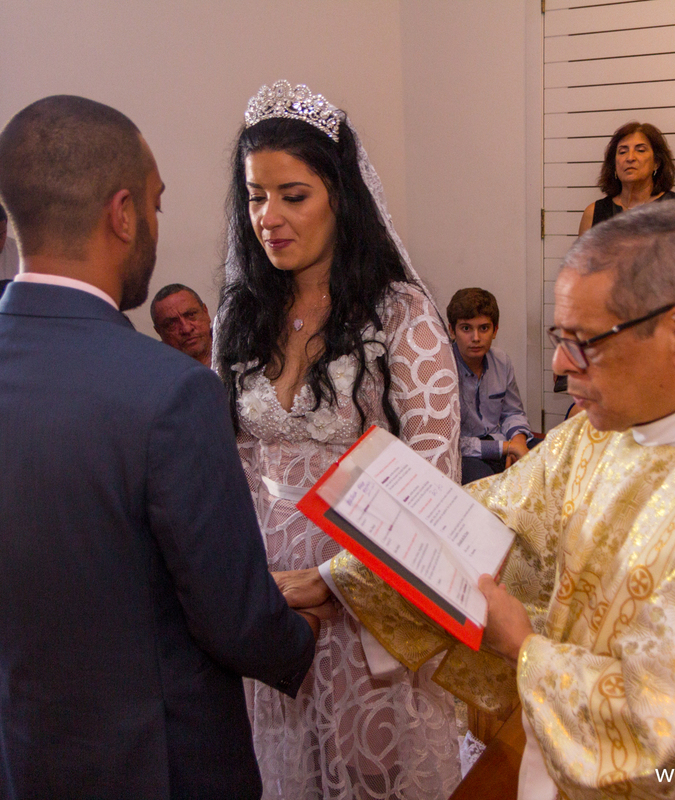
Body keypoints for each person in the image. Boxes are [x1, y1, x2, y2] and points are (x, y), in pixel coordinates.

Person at [321, 204, 675, 798]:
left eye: (582, 341)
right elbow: (497, 516)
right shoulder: (601, 430)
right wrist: (341, 574)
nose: (559, 365)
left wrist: (524, 649)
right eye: (560, 338)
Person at [0, 95, 318, 800]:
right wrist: (306, 631)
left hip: (30, 752)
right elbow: (233, 619)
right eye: (156, 205)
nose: (156, 226)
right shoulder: (167, 390)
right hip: (162, 759)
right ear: (123, 212)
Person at [215, 80, 461, 799]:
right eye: (256, 197)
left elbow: (434, 480)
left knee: (370, 768)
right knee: (283, 765)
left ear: (340, 197)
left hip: (365, 592)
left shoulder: (400, 315)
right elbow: (222, 460)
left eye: (293, 196)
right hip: (271, 598)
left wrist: (333, 581)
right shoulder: (242, 316)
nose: (269, 218)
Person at [447, 287, 536, 483]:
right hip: (467, 455)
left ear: (495, 330)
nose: (476, 338)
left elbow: (513, 412)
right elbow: (449, 442)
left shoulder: (502, 361)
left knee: (551, 456)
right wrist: (507, 448)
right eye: (466, 328)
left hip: (502, 442)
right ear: (452, 331)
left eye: (484, 328)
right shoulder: (442, 369)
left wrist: (518, 442)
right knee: (488, 483)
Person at [577, 121, 675, 235]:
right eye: (622, 152)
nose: (630, 158)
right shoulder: (593, 213)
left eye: (640, 150)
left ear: (656, 162)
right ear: (614, 164)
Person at [150, 283, 212, 366]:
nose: (187, 329)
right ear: (159, 332)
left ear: (205, 312)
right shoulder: (154, 369)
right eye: (171, 324)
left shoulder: (229, 343)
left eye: (191, 315)